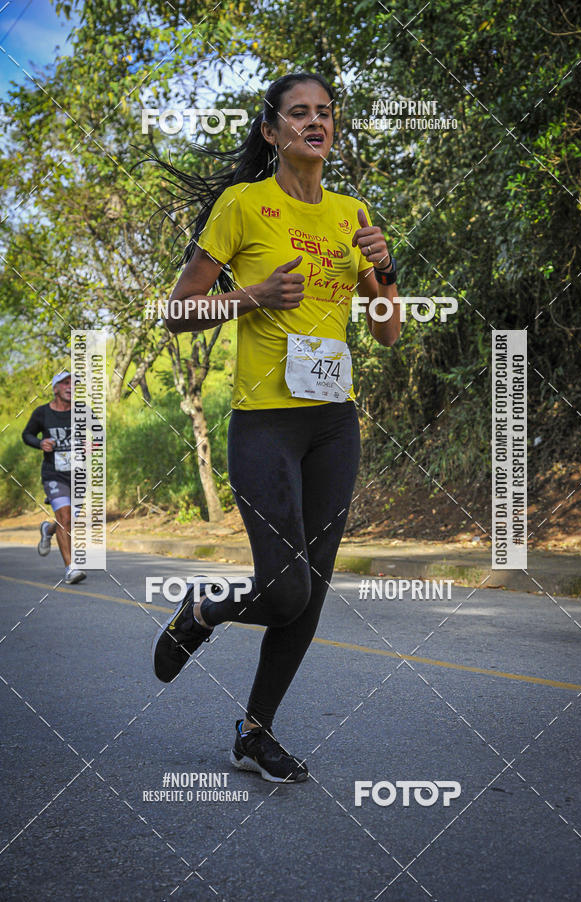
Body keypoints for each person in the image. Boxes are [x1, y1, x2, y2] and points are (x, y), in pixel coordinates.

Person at [151, 72, 401, 782]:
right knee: (284, 589)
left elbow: (387, 333)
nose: (315, 123)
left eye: (325, 113)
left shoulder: (353, 213)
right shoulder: (243, 206)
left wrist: (386, 270)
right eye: (299, 114)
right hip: (264, 423)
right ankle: (201, 610)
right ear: (272, 131)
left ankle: (255, 733)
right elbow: (176, 311)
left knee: (311, 592)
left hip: (333, 425)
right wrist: (250, 298)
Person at [21, 371, 86, 585]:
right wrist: (40, 443)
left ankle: (48, 529)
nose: (70, 387)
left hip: (77, 474)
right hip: (53, 474)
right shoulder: (42, 413)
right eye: (65, 383)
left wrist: (91, 445)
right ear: (56, 388)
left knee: (68, 521)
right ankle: (71, 568)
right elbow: (27, 435)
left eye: (74, 384)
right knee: (65, 518)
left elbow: (98, 435)